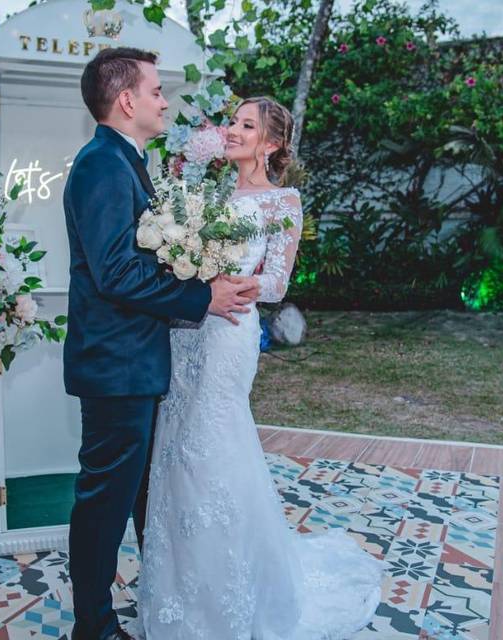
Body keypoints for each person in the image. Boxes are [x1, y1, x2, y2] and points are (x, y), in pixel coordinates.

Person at [132, 97, 386, 639]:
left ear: (270, 144)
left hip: (229, 334)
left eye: (246, 126)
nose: (232, 131)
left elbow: (277, 282)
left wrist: (222, 279)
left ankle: (231, 597)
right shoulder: (205, 193)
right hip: (186, 336)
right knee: (175, 449)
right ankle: (180, 591)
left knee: (213, 447)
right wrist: (194, 276)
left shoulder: (281, 202)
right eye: (232, 122)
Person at [61, 47, 262, 640]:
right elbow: (116, 274)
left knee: (139, 496)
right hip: (116, 366)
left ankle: (159, 603)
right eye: (155, 90)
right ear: (126, 100)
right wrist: (205, 300)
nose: (164, 101)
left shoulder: (127, 161)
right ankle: (92, 628)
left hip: (135, 361)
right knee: (104, 502)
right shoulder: (101, 165)